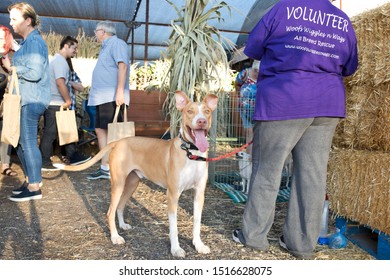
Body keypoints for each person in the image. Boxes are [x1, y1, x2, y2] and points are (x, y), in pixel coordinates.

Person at [232, 0, 358, 259]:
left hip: (284, 99)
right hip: (326, 102)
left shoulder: (282, 9)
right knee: (312, 175)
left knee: (267, 169)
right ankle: (300, 243)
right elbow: (350, 66)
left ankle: (253, 236)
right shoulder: (341, 20)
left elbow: (254, 48)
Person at [2, 2, 51, 202]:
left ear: (28, 20)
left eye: (14, 19)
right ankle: (32, 179)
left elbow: (35, 73)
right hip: (27, 98)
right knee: (22, 143)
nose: (11, 23)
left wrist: (13, 68)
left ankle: (34, 187)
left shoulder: (35, 42)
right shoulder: (27, 43)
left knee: (28, 142)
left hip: (32, 98)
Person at [86, 21, 130, 180]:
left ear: (103, 31)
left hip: (111, 96)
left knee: (114, 132)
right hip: (102, 97)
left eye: (96, 31)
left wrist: (119, 92)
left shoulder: (117, 43)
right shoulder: (105, 47)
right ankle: (105, 167)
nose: (95, 34)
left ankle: (116, 168)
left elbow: (122, 66)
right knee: (100, 129)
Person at [39, 36, 90, 169]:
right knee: (50, 133)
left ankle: (72, 156)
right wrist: (68, 100)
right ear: (66, 46)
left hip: (55, 102)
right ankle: (44, 161)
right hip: (55, 103)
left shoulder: (58, 61)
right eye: (74, 48)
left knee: (65, 130)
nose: (76, 51)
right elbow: (60, 82)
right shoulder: (60, 62)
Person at [0, 25, 19, 177]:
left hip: (6, 102)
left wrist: (9, 66)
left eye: (1, 38)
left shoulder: (12, 56)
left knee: (5, 131)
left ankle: (5, 164)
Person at [234, 60, 259, 155]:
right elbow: (237, 84)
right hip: (244, 109)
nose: (258, 74)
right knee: (249, 133)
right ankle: (249, 157)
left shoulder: (265, 75)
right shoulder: (245, 73)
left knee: (258, 133)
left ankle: (256, 156)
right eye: (256, 72)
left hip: (258, 110)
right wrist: (239, 95)